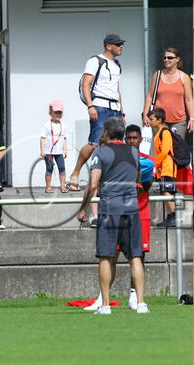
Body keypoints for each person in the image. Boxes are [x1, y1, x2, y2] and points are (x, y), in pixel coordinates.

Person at [76, 117, 149, 314]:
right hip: (131, 209)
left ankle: (106, 305)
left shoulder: (100, 152)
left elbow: (93, 184)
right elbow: (138, 178)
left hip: (110, 210)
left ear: (107, 133)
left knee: (106, 257)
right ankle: (141, 303)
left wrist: (83, 208)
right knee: (135, 256)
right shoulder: (134, 152)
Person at [67, 34, 125, 192]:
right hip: (99, 106)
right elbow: (86, 84)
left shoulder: (117, 64)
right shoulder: (95, 61)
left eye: (121, 44)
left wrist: (122, 111)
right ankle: (75, 174)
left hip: (114, 108)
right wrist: (90, 106)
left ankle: (102, 180)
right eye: (118, 44)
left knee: (113, 145)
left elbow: (116, 89)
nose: (121, 46)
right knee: (94, 144)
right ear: (108, 45)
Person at [142, 47, 194, 140]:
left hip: (179, 121)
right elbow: (150, 96)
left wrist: (192, 118)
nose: (166, 60)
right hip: (159, 119)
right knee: (161, 148)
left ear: (177, 59)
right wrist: (145, 115)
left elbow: (189, 99)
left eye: (170, 58)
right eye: (164, 58)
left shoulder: (184, 77)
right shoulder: (157, 75)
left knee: (177, 149)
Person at [148, 108, 177, 227]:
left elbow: (165, 151)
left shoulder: (165, 132)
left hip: (167, 167)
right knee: (164, 191)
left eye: (151, 119)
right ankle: (170, 217)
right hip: (162, 168)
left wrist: (156, 164)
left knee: (166, 191)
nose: (149, 122)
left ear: (159, 120)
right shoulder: (158, 133)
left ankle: (174, 217)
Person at [40, 100, 69, 193]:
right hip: (49, 152)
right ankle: (48, 186)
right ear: (50, 113)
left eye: (60, 113)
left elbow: (64, 139)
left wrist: (65, 150)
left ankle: (62, 186)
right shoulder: (47, 125)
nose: (58, 114)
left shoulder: (63, 125)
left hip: (59, 152)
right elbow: (42, 138)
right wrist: (42, 150)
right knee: (49, 168)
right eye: (56, 112)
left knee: (62, 168)